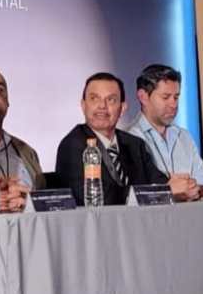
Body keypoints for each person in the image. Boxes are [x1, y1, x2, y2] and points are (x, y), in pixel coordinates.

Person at [55, 72, 167, 205]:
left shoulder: (135, 144)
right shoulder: (72, 145)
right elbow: (96, 198)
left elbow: (159, 183)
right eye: (94, 99)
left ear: (122, 108)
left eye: (111, 100)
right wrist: (148, 194)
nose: (102, 106)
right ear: (83, 106)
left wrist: (174, 187)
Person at [124, 63, 203, 201]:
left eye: (176, 97)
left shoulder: (184, 136)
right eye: (165, 97)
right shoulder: (128, 139)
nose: (173, 104)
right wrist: (170, 191)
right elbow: (132, 197)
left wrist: (192, 188)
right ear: (143, 97)